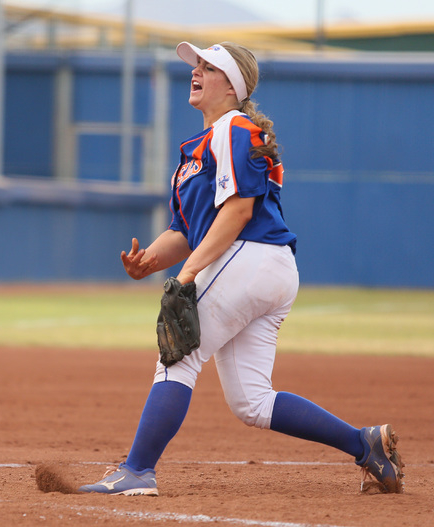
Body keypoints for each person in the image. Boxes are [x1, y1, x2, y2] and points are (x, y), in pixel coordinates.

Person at [78, 41, 404, 496]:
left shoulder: (233, 128)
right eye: (197, 65)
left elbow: (238, 212)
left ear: (232, 87)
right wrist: (149, 261)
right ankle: (364, 444)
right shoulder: (197, 150)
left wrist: (188, 274)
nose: (196, 71)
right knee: (252, 402)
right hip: (264, 267)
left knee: (177, 359)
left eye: (209, 67)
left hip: (249, 257)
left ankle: (137, 471)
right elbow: (186, 230)